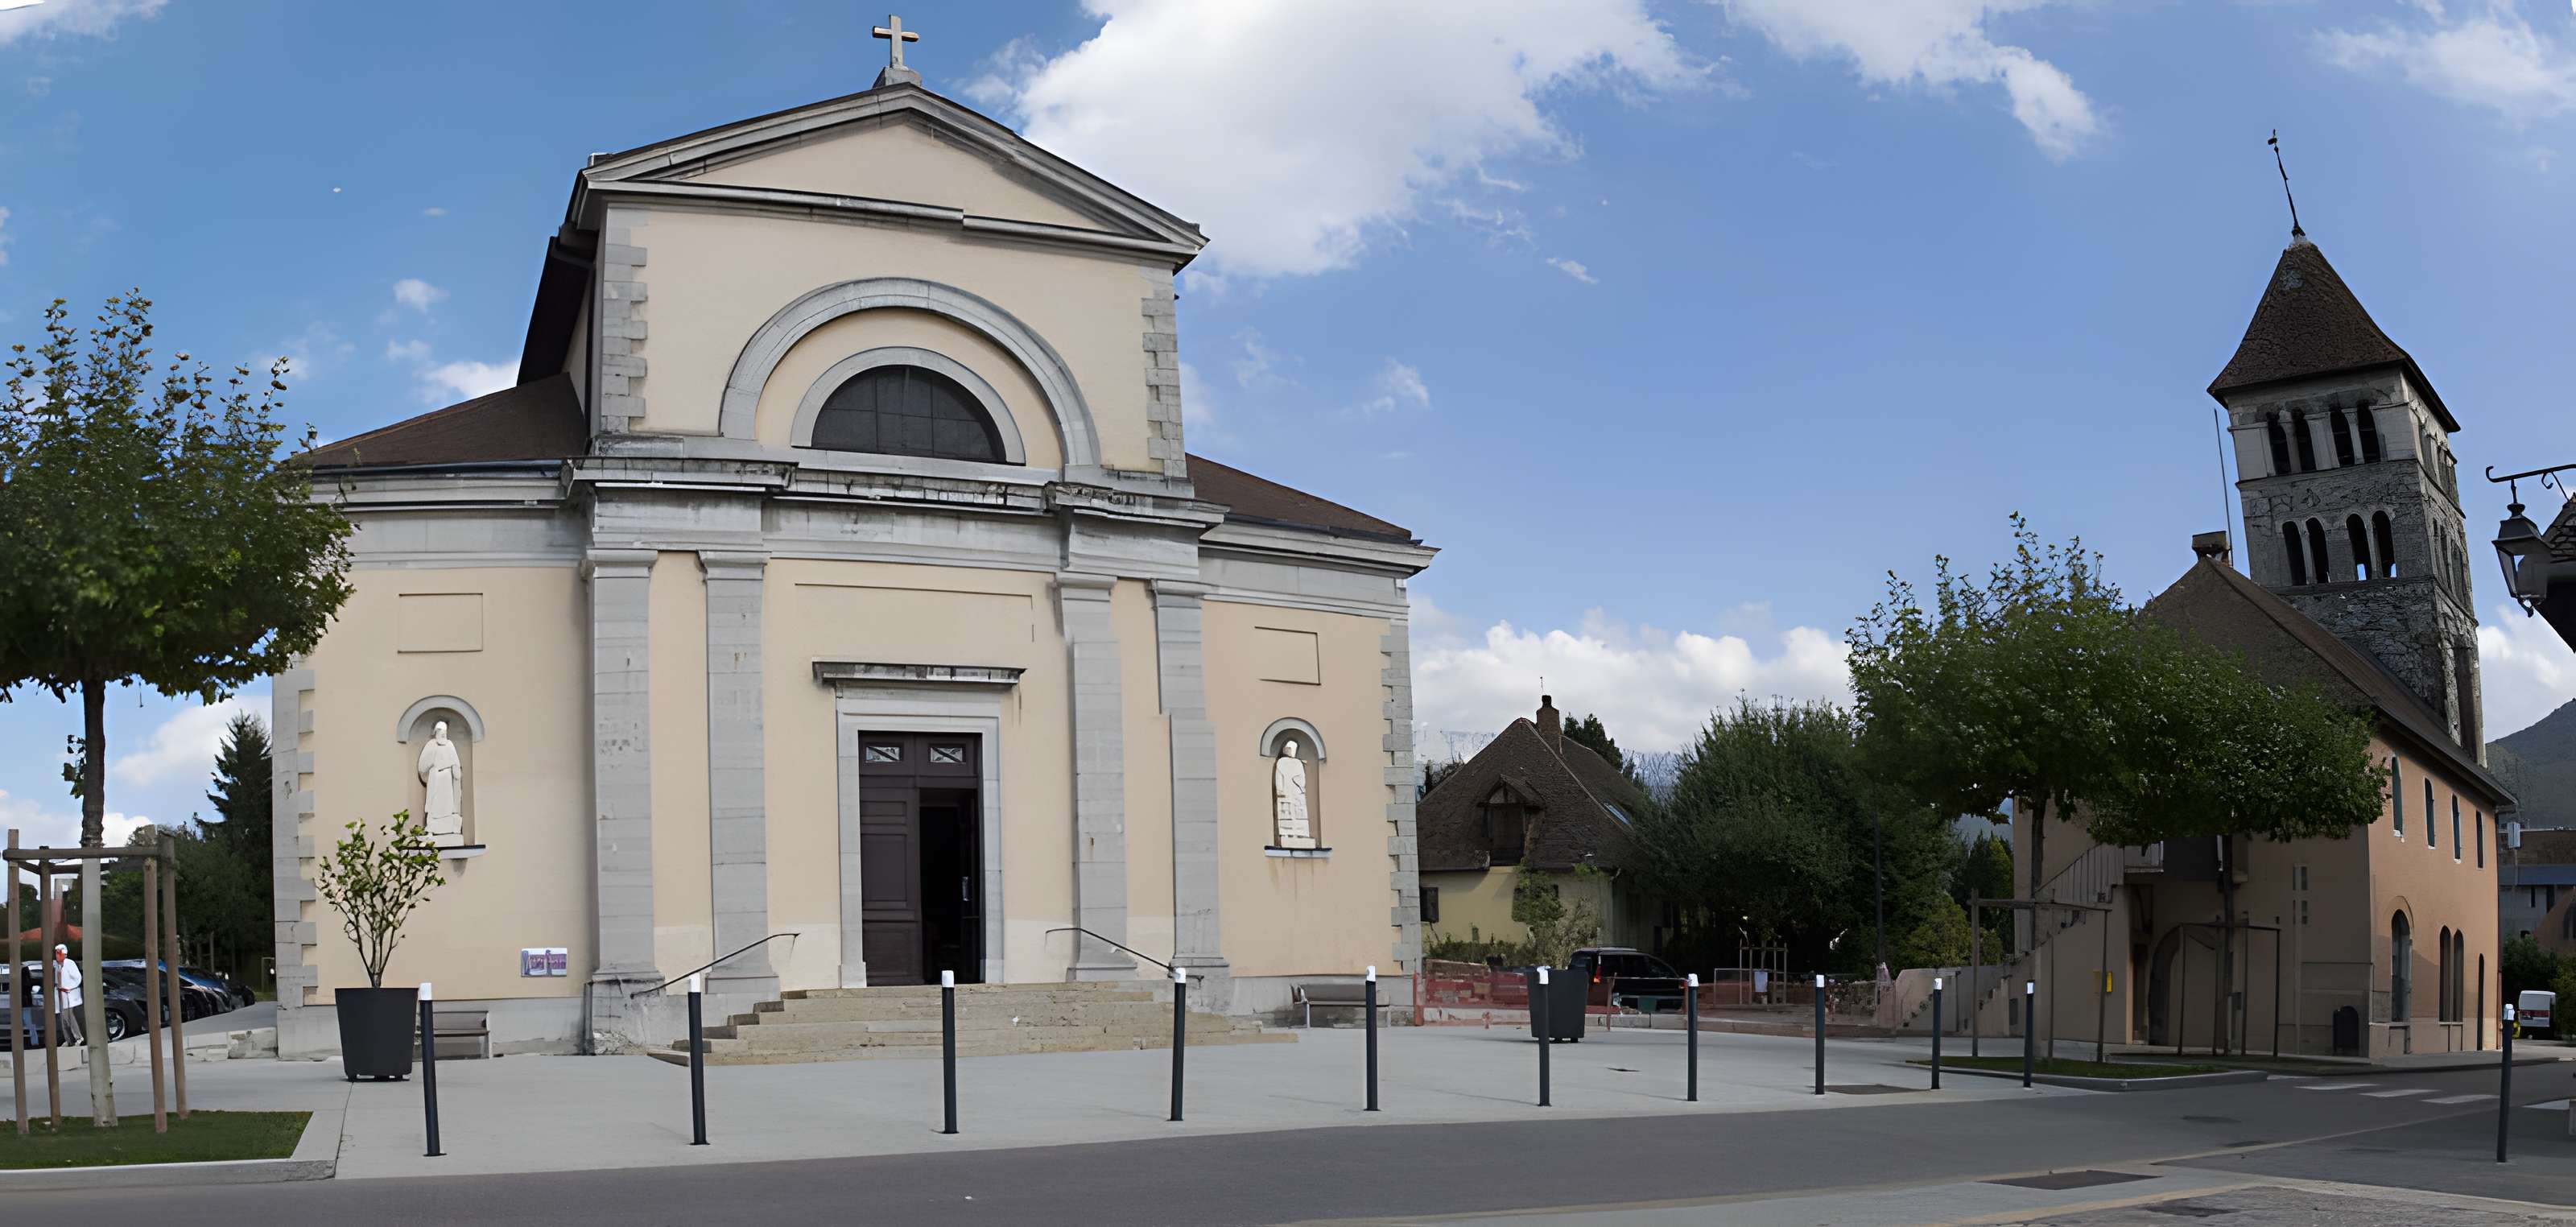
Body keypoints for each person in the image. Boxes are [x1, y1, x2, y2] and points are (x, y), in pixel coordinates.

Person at [50, 944, 81, 1046]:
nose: (57, 955)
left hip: (68, 993)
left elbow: (77, 978)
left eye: (59, 953)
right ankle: (69, 1040)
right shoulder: (57, 965)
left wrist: (69, 987)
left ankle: (78, 1037)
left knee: (68, 1015)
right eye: (56, 953)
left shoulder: (69, 963)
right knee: (62, 1018)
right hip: (59, 993)